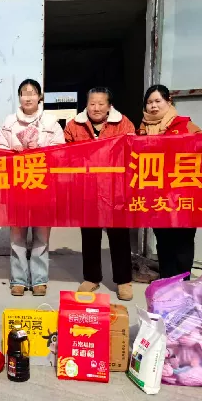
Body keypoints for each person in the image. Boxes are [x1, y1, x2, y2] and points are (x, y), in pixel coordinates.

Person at [0, 79, 64, 297]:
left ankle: (39, 280)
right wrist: (10, 150)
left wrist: (41, 149)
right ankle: (18, 280)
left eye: (32, 93)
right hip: (16, 187)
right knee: (17, 235)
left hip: (43, 186)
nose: (28, 97)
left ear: (40, 96)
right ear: (19, 98)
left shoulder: (51, 122)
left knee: (41, 235)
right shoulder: (9, 122)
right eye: (24, 93)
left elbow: (61, 152)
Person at [64, 87, 135, 301]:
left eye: (101, 104)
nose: (96, 108)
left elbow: (133, 152)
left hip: (115, 189)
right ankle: (92, 277)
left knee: (119, 235)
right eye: (92, 103)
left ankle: (123, 280)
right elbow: (65, 154)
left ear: (109, 106)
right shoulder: (74, 126)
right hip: (86, 189)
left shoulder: (124, 124)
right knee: (90, 235)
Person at [139, 84, 202, 280]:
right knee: (163, 241)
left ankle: (182, 283)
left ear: (168, 102)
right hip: (157, 195)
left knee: (183, 241)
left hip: (183, 194)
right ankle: (166, 281)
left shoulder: (185, 125)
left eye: (158, 101)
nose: (153, 106)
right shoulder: (141, 131)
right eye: (149, 102)